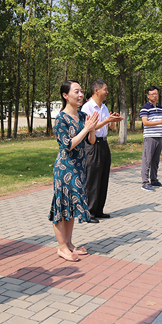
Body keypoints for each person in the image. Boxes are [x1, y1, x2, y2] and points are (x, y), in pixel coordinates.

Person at [49, 81, 99, 261]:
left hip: (79, 168)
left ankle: (69, 243)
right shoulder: (60, 119)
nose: (80, 95)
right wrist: (86, 128)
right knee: (61, 207)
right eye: (76, 92)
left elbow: (91, 141)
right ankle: (62, 247)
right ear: (65, 95)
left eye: (81, 91)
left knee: (71, 207)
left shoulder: (83, 115)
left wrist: (91, 129)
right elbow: (68, 145)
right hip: (64, 168)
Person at [81, 79, 123, 219]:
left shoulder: (104, 107)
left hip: (104, 144)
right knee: (92, 179)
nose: (107, 92)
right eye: (105, 89)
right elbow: (89, 127)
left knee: (103, 177)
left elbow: (109, 127)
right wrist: (106, 120)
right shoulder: (87, 107)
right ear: (96, 90)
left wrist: (113, 121)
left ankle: (99, 209)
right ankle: (89, 212)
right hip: (92, 144)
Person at [140, 86, 162, 192]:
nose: (155, 96)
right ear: (148, 95)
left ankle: (154, 180)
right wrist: (160, 122)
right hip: (150, 137)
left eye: (156, 94)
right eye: (152, 94)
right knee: (147, 160)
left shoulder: (161, 108)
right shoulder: (145, 108)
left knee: (155, 160)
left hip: (160, 136)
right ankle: (145, 182)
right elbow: (145, 122)